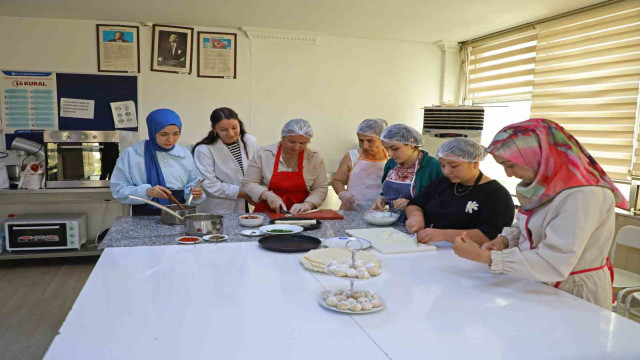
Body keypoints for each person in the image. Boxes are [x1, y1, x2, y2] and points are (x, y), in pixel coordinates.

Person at [452, 119, 627, 309]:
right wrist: (504, 240)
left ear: (538, 155)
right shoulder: (543, 188)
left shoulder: (584, 194)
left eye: (510, 165)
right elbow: (527, 225)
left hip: (575, 291)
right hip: (542, 281)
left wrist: (485, 257)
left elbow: (554, 261)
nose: (509, 174)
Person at [405, 138, 514, 245]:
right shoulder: (442, 183)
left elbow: (492, 234)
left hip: (470, 254)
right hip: (430, 248)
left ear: (474, 163)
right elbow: (415, 203)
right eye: (442, 165)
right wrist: (415, 216)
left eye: (454, 166)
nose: (446, 171)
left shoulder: (496, 194)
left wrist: (444, 235)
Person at [111, 109, 205, 215]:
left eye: (176, 134)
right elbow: (118, 190)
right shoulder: (133, 154)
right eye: (164, 134)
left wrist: (195, 193)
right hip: (144, 215)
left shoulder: (184, 154)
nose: (170, 139)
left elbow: (193, 183)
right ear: (152, 131)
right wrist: (147, 192)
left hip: (178, 213)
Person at [242, 119, 328, 215]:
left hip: (300, 214)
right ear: (282, 137)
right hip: (267, 211)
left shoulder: (315, 157)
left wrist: (307, 204)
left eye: (302, 143)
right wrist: (267, 195)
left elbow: (320, 188)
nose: (296, 147)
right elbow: (248, 182)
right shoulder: (263, 154)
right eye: (292, 142)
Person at [192, 107, 260, 214]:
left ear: (239, 124)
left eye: (234, 127)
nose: (231, 133)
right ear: (214, 129)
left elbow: (258, 170)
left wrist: (257, 191)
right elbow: (209, 184)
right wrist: (241, 193)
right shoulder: (204, 149)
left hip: (247, 204)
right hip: (219, 208)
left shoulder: (249, 141)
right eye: (223, 130)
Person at [371, 124, 442, 222]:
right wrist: (383, 199)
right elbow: (387, 193)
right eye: (387, 149)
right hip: (392, 222)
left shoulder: (434, 166)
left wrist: (414, 204)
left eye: (395, 148)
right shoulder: (391, 164)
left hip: (421, 225)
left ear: (411, 143)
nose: (390, 154)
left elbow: (445, 201)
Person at [332, 118, 389, 210]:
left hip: (379, 211)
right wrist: (342, 193)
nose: (364, 145)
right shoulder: (351, 156)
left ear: (382, 139)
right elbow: (337, 180)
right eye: (361, 140)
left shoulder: (391, 159)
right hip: (351, 210)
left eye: (370, 141)